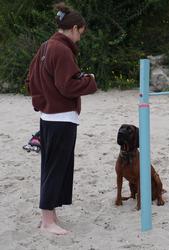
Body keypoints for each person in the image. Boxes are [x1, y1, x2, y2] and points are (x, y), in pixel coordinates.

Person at [26, 2, 97, 235]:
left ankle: (50, 216)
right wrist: (91, 80)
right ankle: (47, 221)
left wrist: (41, 102)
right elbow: (68, 86)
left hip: (49, 117)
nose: (79, 38)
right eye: (80, 33)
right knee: (56, 168)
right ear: (74, 28)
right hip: (61, 118)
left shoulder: (46, 46)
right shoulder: (62, 49)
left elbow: (31, 79)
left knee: (52, 166)